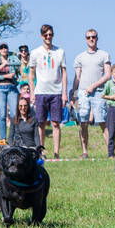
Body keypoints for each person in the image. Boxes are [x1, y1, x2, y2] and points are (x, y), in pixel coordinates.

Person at [71, 28, 111, 159]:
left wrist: (94, 86)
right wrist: (73, 94)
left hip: (99, 92)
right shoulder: (80, 57)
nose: (91, 39)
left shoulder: (104, 54)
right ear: (85, 39)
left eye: (93, 37)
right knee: (83, 123)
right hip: (83, 93)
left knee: (102, 122)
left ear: (97, 38)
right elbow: (77, 77)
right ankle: (84, 152)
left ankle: (111, 153)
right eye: (88, 37)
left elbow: (108, 75)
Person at [30, 24, 67, 158]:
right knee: (41, 122)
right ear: (41, 36)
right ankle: (41, 151)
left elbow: (64, 72)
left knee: (56, 123)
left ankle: (57, 153)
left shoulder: (60, 51)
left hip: (56, 92)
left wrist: (64, 93)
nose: (48, 37)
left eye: (50, 34)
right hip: (40, 92)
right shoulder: (35, 52)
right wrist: (32, 92)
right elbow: (31, 74)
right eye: (46, 35)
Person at [0, 42, 19, 142]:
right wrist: (6, 75)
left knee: (14, 113)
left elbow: (18, 63)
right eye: (1, 48)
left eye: (5, 47)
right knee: (2, 114)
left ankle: (14, 137)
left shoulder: (12, 58)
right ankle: (3, 138)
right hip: (0, 88)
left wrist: (8, 63)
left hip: (11, 87)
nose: (4, 49)